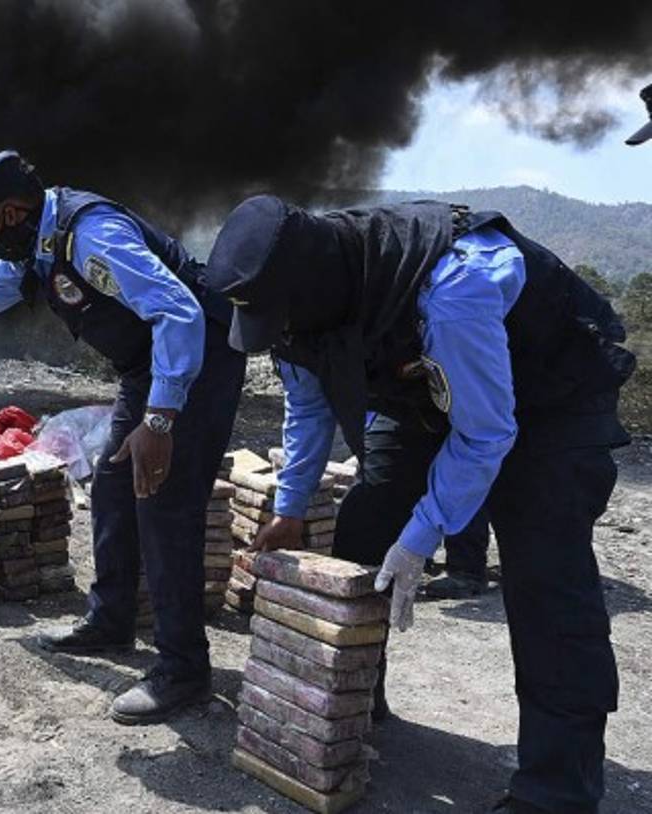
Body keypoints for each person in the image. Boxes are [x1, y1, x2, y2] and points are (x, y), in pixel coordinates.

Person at [205, 195, 633, 814]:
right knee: (363, 526)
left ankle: (558, 788)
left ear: (316, 290)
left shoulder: (452, 286)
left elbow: (486, 434)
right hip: (430, 392)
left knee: (546, 578)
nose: (284, 334)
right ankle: (351, 700)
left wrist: (424, 534)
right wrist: (291, 507)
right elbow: (308, 402)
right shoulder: (302, 305)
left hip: (550, 400)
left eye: (285, 321)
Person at [0, 151, 247, 724]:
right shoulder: (34, 240)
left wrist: (160, 420)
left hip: (198, 358)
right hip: (148, 366)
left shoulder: (93, 237)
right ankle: (111, 620)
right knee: (113, 480)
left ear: (11, 212)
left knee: (164, 504)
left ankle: (183, 669)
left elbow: (178, 313)